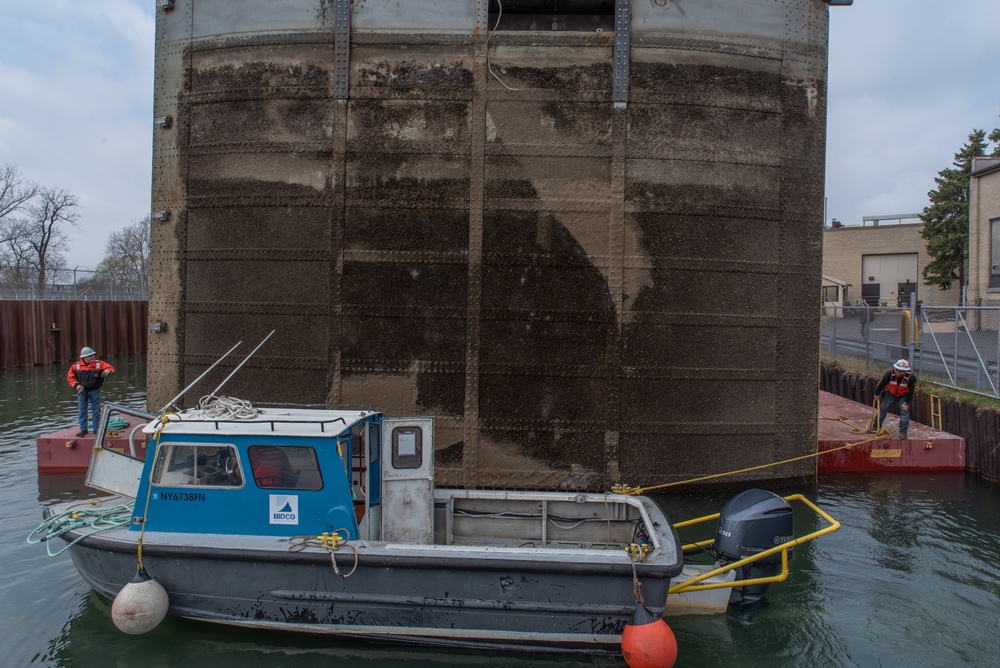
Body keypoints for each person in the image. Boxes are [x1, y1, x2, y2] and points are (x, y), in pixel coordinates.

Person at [67, 346, 115, 437]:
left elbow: (110, 368)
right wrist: (77, 386)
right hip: (82, 391)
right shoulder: (76, 366)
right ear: (84, 357)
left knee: (96, 410)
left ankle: (96, 429)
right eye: (90, 356)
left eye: (93, 355)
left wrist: (108, 371)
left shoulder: (99, 364)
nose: (93, 357)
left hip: (95, 390)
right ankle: (83, 429)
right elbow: (70, 377)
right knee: (82, 410)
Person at [870, 358, 916, 439]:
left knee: (904, 413)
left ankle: (903, 433)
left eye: (901, 371)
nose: (898, 372)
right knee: (883, 409)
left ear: (905, 371)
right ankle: (876, 427)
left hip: (903, 395)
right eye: (897, 370)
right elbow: (881, 384)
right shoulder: (889, 374)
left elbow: (912, 391)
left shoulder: (911, 378)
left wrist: (906, 403)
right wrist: (876, 394)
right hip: (890, 393)